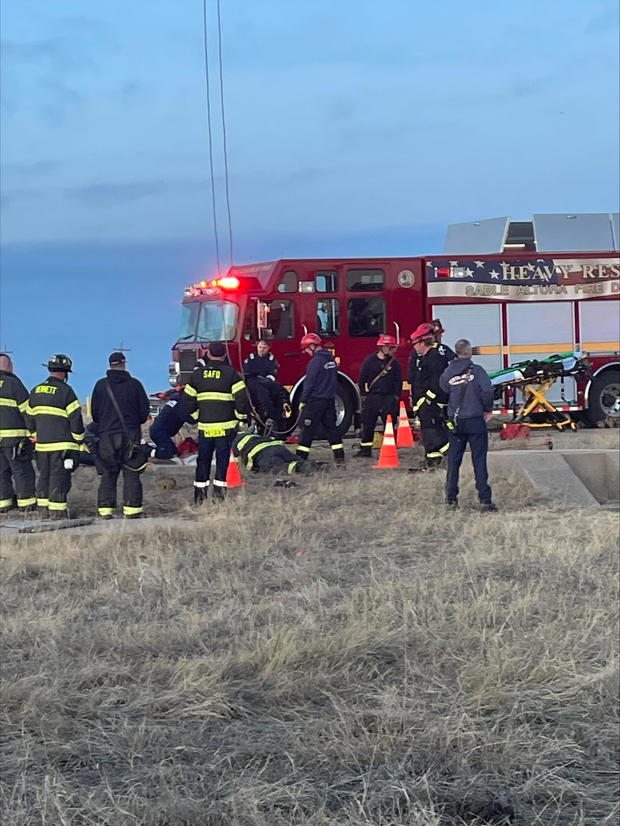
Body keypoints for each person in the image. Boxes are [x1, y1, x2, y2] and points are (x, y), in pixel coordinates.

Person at [180, 340, 249, 502]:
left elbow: (187, 401)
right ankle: (218, 496)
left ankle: (199, 497)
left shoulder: (197, 375)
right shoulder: (232, 374)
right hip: (226, 428)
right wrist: (239, 418)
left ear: (208, 353)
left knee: (203, 461)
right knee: (222, 461)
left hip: (205, 427)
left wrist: (198, 417)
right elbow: (242, 400)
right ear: (225, 354)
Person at [90, 352, 150, 519]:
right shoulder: (135, 385)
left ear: (110, 364)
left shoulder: (100, 386)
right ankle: (132, 510)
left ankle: (106, 510)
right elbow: (144, 412)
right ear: (124, 363)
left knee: (108, 472)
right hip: (130, 436)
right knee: (131, 471)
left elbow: (95, 414)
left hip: (107, 437)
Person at [440, 338, 496, 511]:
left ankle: (451, 498)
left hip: (456, 422)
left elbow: (443, 390)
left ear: (456, 352)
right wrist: (487, 409)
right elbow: (487, 391)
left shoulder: (447, 372)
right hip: (475, 420)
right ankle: (485, 499)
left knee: (453, 461)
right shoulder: (478, 371)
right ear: (469, 353)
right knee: (479, 460)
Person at [26, 354, 85, 519]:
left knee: (44, 477)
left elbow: (29, 419)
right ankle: (57, 512)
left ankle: (43, 510)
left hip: (42, 446)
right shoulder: (66, 392)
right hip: (63, 447)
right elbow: (75, 420)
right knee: (60, 478)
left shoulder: (35, 391)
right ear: (66, 373)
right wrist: (79, 439)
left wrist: (37, 436)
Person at [296, 333, 345, 465]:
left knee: (307, 431)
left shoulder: (315, 362)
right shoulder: (331, 360)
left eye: (306, 349)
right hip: (329, 400)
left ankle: (300, 460)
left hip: (315, 401)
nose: (306, 352)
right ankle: (340, 458)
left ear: (312, 346)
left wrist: (303, 400)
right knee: (332, 430)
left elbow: (309, 383)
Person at [409, 323, 450, 468]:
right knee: (429, 433)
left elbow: (436, 380)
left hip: (431, 402)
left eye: (415, 343)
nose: (414, 347)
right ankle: (433, 459)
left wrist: (427, 399)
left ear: (422, 342)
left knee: (433, 432)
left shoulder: (434, 357)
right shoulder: (424, 356)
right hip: (425, 402)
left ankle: (449, 454)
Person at [0, 353, 36, 515]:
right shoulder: (14, 384)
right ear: (9, 366)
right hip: (15, 439)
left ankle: (4, 504)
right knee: (21, 470)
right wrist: (34, 432)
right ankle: (26, 504)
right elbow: (28, 411)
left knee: (1, 471)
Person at [355, 335, 402, 458]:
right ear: (383, 348)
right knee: (368, 424)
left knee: (389, 425)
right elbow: (362, 379)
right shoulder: (370, 361)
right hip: (373, 397)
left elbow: (398, 381)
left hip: (388, 398)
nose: (393, 350)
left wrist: (395, 397)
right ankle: (365, 450)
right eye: (391, 348)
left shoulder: (394, 363)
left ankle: (389, 449)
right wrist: (364, 395)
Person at [243, 338, 290, 434]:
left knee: (278, 392)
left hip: (268, 386)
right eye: (260, 347)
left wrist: (266, 381)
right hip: (253, 388)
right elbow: (247, 374)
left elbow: (273, 374)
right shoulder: (251, 358)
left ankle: (274, 424)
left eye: (264, 348)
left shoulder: (271, 359)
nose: (262, 349)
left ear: (268, 348)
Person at [147, 388, 198, 460]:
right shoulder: (181, 404)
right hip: (160, 432)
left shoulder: (176, 400)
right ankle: (146, 451)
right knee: (168, 453)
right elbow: (189, 419)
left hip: (159, 431)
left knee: (175, 452)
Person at [232, 432, 319, 475]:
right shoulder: (245, 434)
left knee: (280, 468)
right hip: (278, 447)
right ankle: (319, 466)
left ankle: (304, 467)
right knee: (293, 458)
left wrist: (251, 470)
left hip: (262, 453)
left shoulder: (228, 442)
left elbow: (237, 462)